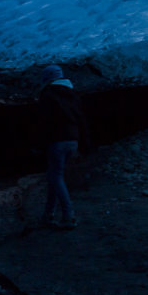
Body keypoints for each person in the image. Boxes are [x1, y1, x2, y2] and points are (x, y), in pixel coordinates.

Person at [37, 65, 90, 229]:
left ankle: (69, 216)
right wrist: (84, 145)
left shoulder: (48, 95)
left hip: (57, 141)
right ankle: (48, 215)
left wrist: (38, 144)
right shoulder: (72, 95)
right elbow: (82, 120)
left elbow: (44, 123)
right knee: (55, 177)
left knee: (55, 177)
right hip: (72, 140)